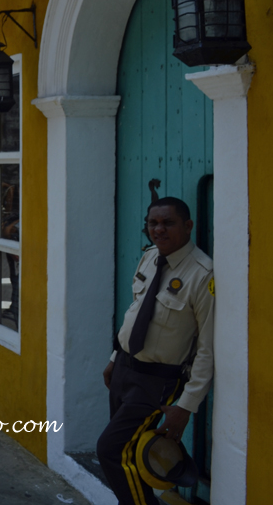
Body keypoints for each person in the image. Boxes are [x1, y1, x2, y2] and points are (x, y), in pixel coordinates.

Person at [97, 196, 213, 505]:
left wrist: (186, 406)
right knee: (130, 454)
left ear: (188, 226)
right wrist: (115, 357)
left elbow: (207, 349)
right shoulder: (150, 256)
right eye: (153, 223)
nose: (159, 229)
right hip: (124, 369)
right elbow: (136, 310)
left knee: (110, 450)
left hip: (156, 382)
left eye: (168, 223)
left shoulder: (202, 274)